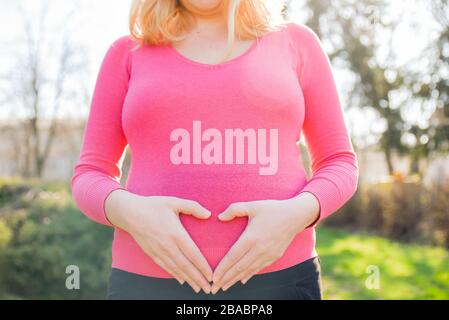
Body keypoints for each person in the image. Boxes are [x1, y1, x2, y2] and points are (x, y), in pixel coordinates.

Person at [70, 0, 359, 300]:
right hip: (148, 283)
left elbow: (339, 163)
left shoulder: (297, 43)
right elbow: (90, 175)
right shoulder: (127, 53)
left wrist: (295, 215)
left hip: (280, 281)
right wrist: (134, 214)